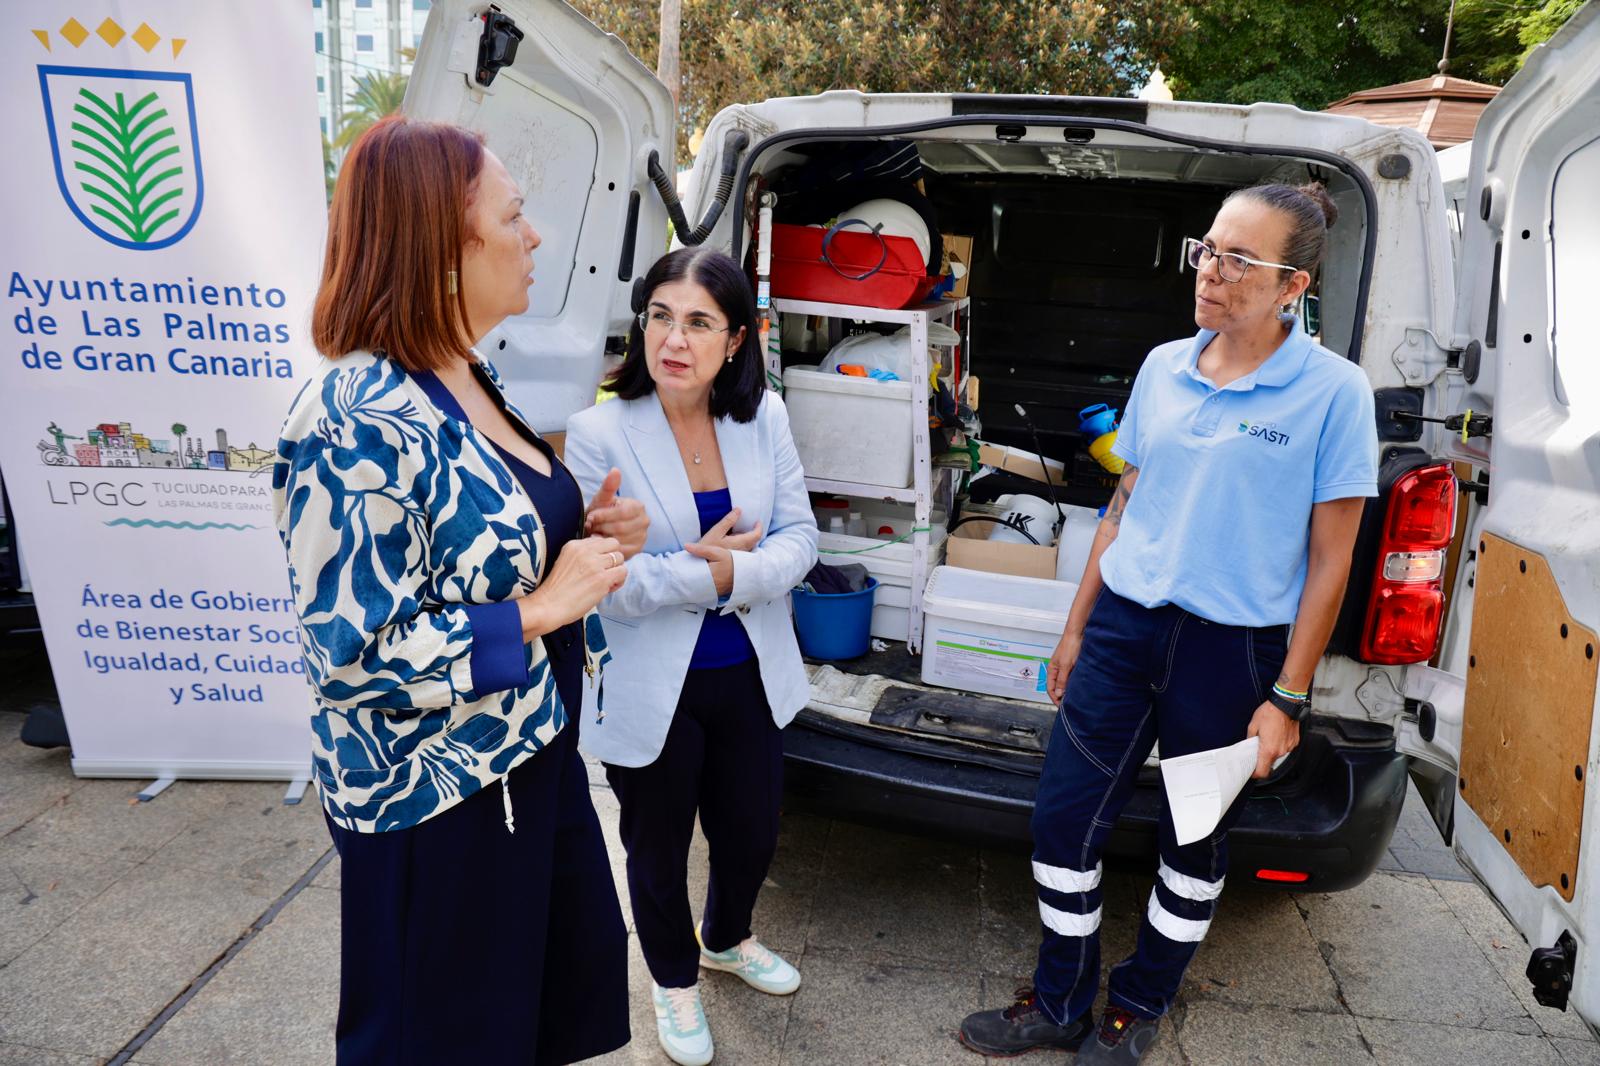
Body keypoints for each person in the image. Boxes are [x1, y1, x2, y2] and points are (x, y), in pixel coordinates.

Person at [958, 182, 1377, 1063]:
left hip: (1233, 654)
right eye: (1208, 249)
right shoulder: (1163, 366)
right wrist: (1076, 628)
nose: (1211, 273)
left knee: (1193, 841)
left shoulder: (1334, 394)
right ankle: (1062, 1000)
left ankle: (1137, 1007)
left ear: (1293, 286)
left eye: (1238, 260)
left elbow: (1332, 561)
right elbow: (1121, 505)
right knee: (1062, 823)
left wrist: (1288, 699)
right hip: (1126, 628)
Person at [272, 115, 649, 1065]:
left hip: (529, 756)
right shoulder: (349, 418)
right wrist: (537, 609)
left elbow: (492, 540)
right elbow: (349, 655)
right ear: (444, 245)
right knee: (440, 1040)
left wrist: (588, 538)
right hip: (439, 807)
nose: (536, 236)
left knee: (526, 1024)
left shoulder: (466, 371)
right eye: (515, 215)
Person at [564, 248, 819, 1066]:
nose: (676, 338)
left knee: (750, 832)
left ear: (737, 339)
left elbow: (802, 540)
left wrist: (732, 568)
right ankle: (673, 980)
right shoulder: (597, 432)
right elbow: (607, 585)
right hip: (652, 684)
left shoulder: (762, 419)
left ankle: (727, 938)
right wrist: (700, 570)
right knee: (658, 844)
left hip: (747, 669)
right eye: (661, 316)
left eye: (700, 321)